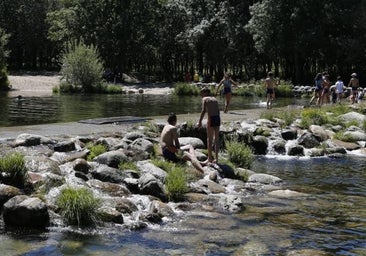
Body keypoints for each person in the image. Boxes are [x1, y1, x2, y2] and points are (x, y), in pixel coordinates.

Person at [198, 87, 220, 163]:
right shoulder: (214, 99)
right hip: (217, 118)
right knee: (216, 139)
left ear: (205, 93)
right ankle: (216, 158)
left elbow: (203, 111)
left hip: (211, 118)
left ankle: (209, 159)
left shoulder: (205, 99)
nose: (201, 95)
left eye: (201, 93)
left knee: (209, 139)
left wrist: (200, 121)